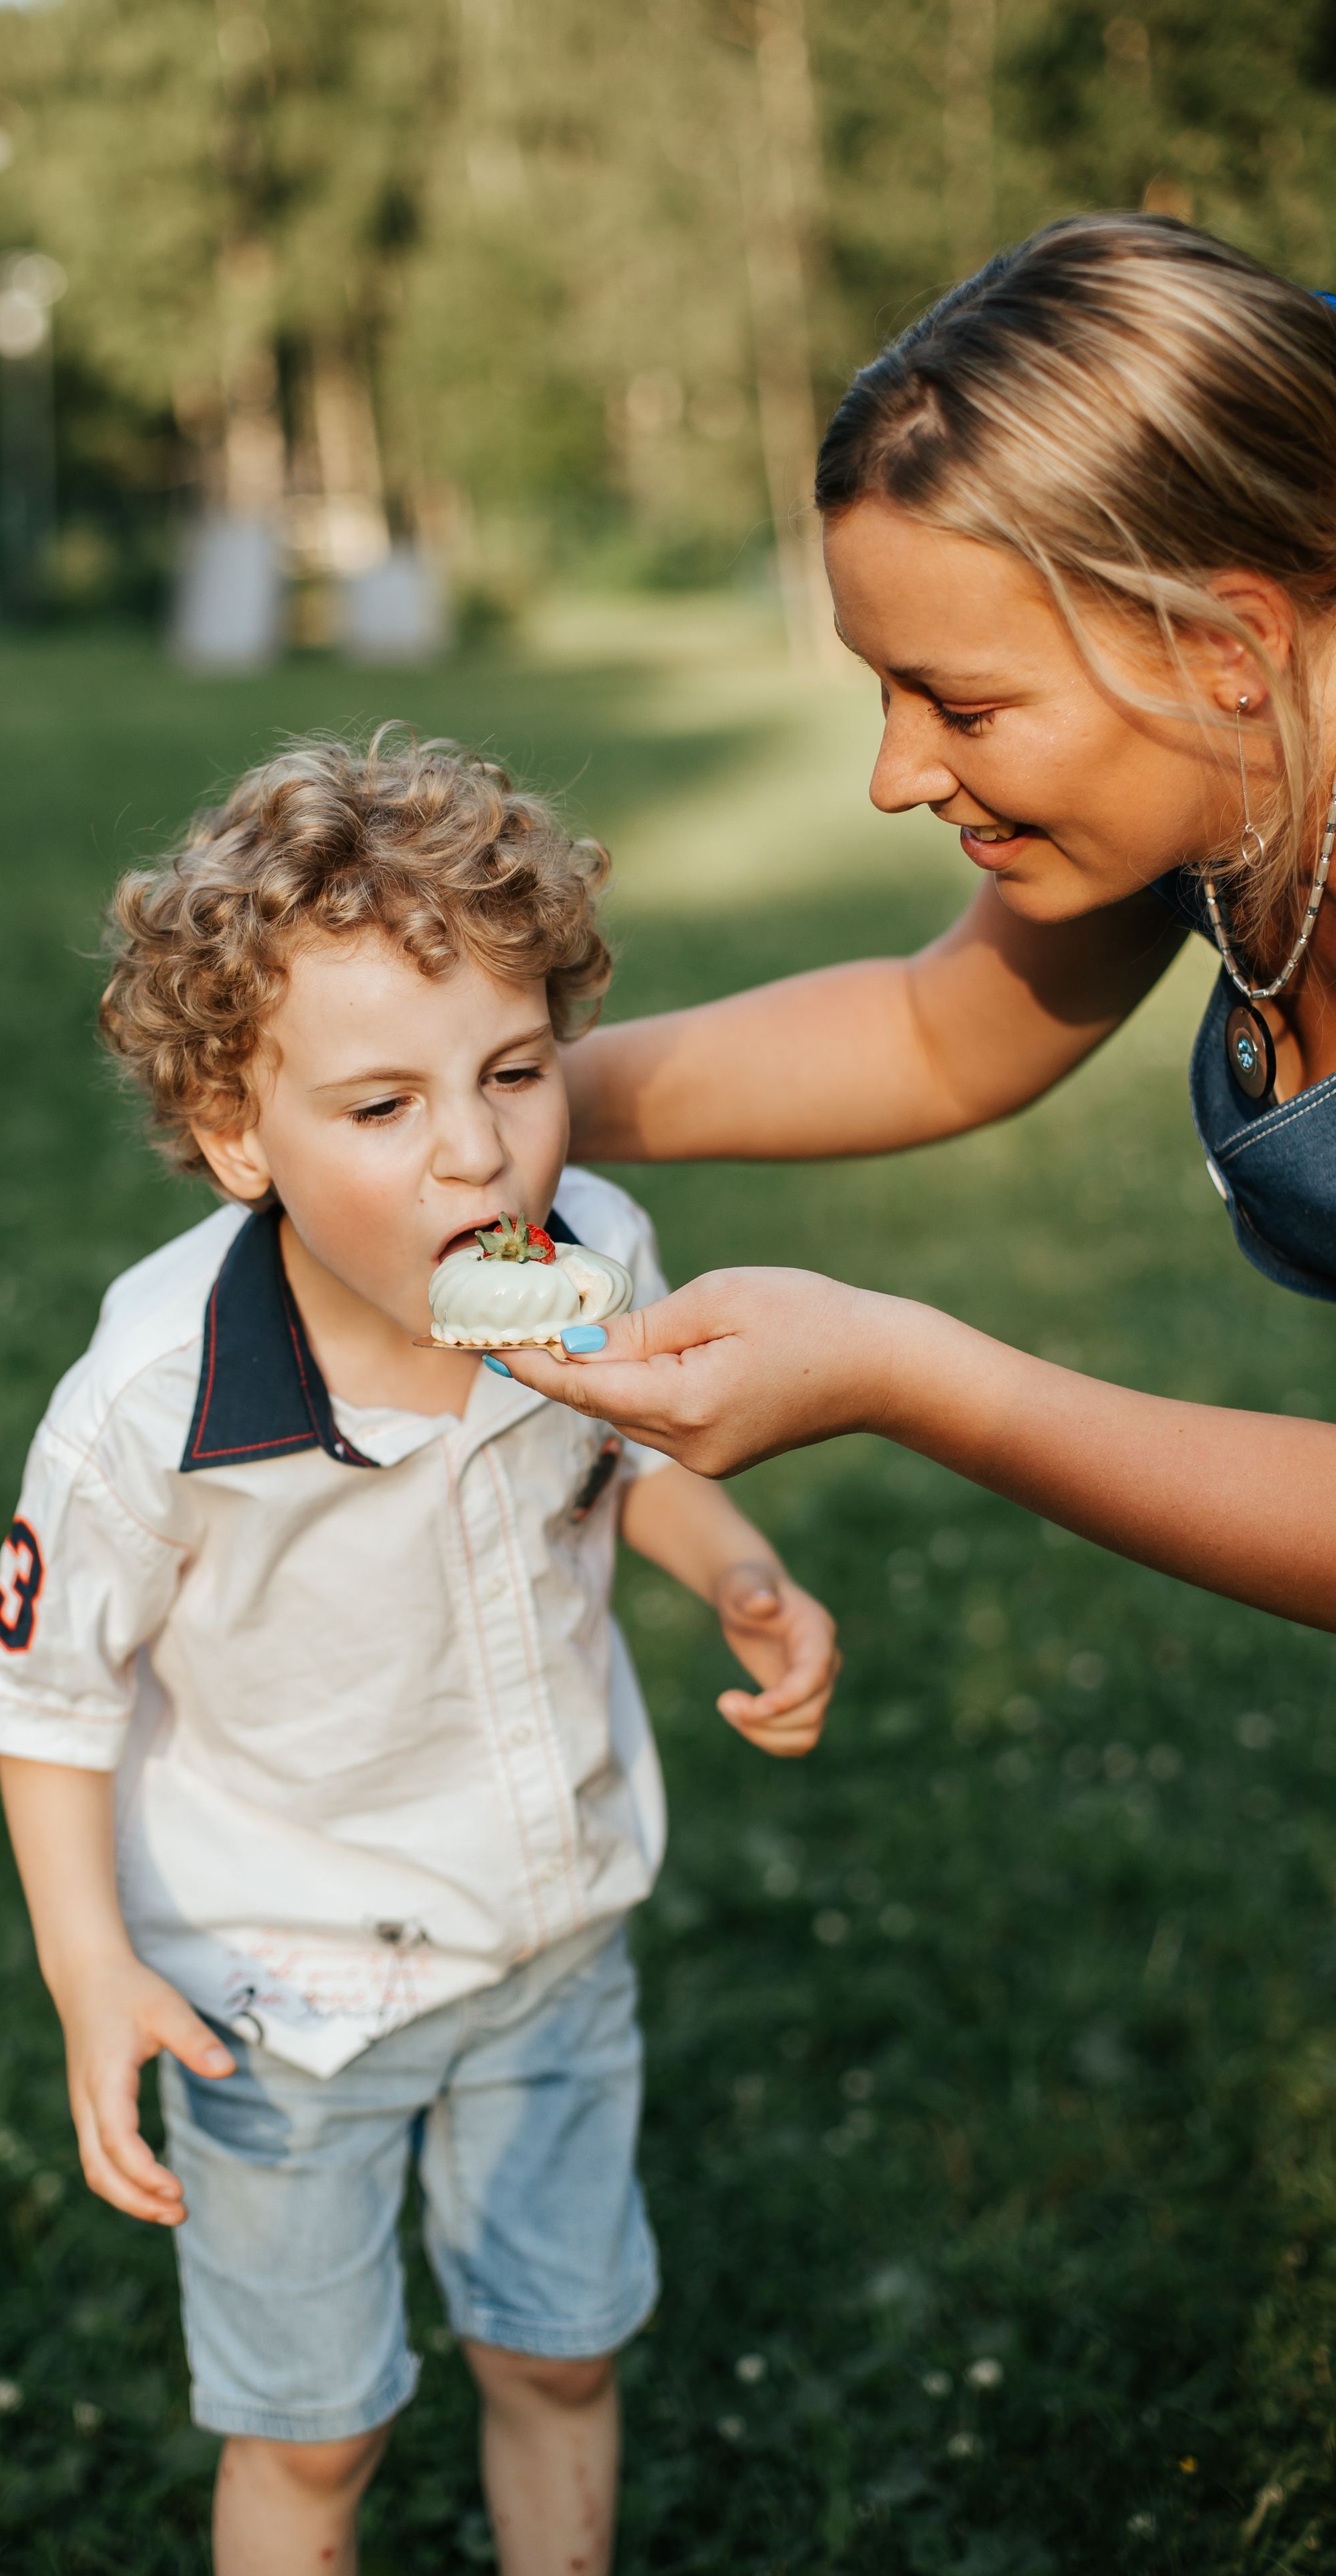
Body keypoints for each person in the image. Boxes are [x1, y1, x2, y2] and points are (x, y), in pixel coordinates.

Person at [0, 734, 839, 2576]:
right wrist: (86, 1962)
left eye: (516, 1074)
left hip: (549, 1932)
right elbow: (46, 1697)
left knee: (561, 2351)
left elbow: (621, 1444)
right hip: (280, 1993)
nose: (475, 1148)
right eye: (379, 1109)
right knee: (320, 2429)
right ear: (234, 1140)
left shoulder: (585, 1247)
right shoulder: (155, 1401)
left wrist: (733, 1559)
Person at [497, 215, 1336, 1632]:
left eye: (963, 707)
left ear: (1221, 648)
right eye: (882, 693)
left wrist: (907, 1376)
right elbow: (938, 1029)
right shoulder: (1222, 771)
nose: (893, 780)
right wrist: (488, 1116)